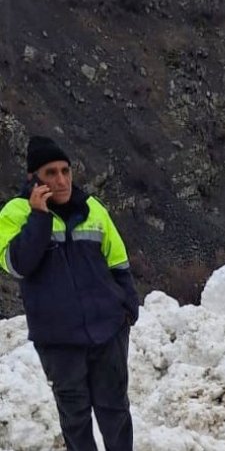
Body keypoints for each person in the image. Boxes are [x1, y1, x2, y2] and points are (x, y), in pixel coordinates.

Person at [0, 136, 138, 451]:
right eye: (51, 173)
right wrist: (39, 217)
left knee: (115, 410)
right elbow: (19, 264)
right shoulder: (14, 214)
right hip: (58, 340)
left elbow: (118, 262)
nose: (62, 180)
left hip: (107, 331)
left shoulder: (93, 209)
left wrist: (127, 309)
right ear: (33, 178)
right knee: (75, 418)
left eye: (66, 171)